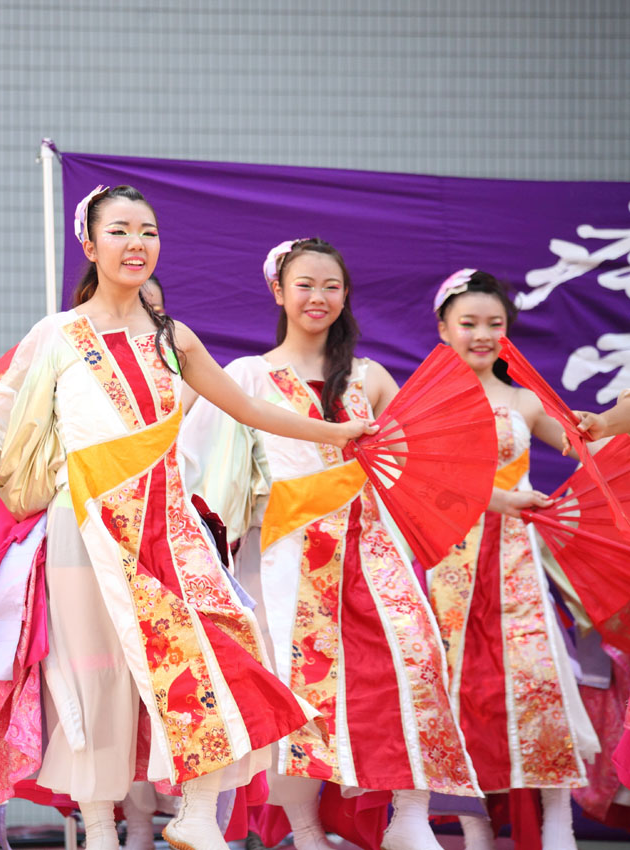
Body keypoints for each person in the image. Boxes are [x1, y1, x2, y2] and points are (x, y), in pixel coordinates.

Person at [0, 186, 372, 850]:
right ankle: (100, 830)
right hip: (85, 526)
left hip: (167, 521)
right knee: (93, 674)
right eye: (122, 231)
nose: (137, 243)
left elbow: (246, 409)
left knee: (223, 643)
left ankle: (196, 810)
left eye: (149, 231)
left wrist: (338, 435)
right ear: (90, 245)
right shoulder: (57, 334)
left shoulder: (173, 336)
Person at [188, 238, 480, 850]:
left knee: (413, 662)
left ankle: (409, 814)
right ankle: (305, 829)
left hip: (371, 547)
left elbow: (417, 458)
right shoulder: (248, 376)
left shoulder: (369, 376)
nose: (318, 297)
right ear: (278, 292)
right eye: (305, 284)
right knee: (298, 691)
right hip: (283, 554)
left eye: (331, 286)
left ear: (345, 294)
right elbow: (193, 464)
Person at [426, 269, 599, 850]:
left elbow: (586, 446)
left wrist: (611, 428)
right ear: (443, 329)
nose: (481, 335)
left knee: (536, 683)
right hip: (447, 566)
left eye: (494, 325)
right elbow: (420, 483)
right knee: (456, 691)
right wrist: (498, 498)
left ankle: (558, 825)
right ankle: (475, 828)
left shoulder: (525, 400)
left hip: (516, 564)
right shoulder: (423, 403)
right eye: (468, 323)